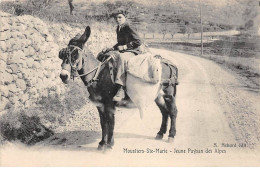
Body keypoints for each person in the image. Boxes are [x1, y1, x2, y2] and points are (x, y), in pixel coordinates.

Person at [101, 8, 148, 103]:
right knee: (104, 55)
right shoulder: (119, 28)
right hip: (126, 50)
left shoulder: (128, 26)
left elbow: (138, 41)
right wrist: (111, 48)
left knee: (121, 58)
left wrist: (124, 47)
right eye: (116, 18)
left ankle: (121, 87)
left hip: (134, 51)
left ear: (125, 17)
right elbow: (120, 43)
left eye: (120, 17)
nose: (117, 19)